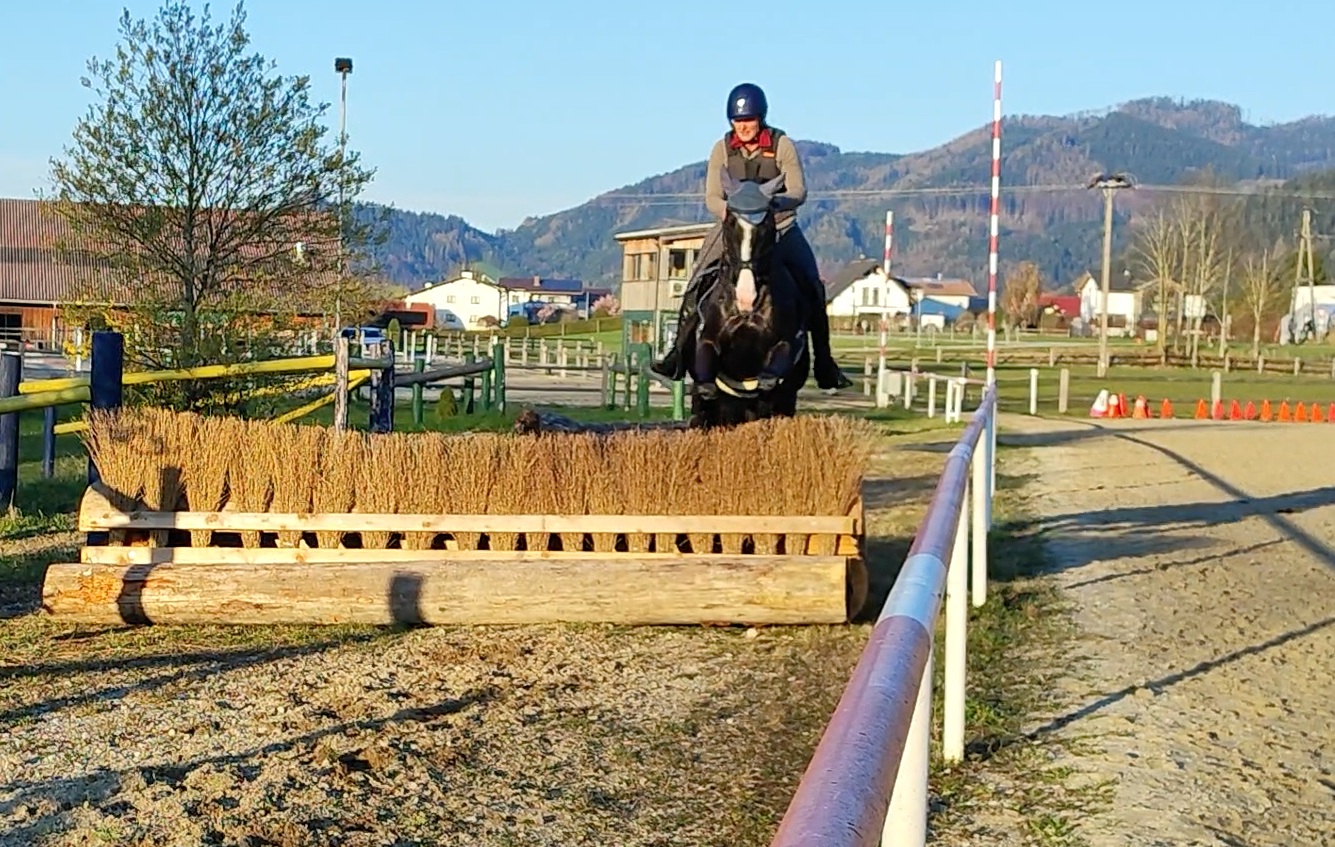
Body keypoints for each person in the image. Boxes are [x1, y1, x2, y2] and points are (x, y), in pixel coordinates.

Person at [651, 82, 853, 390]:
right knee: (696, 282)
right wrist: (735, 215)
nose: (743, 127)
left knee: (812, 285)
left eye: (749, 121)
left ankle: (825, 363)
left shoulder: (782, 144)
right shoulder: (721, 149)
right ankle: (676, 355)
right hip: (732, 227)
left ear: (761, 119)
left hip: (778, 226)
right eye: (738, 121)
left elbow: (798, 190)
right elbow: (712, 198)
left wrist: (771, 207)